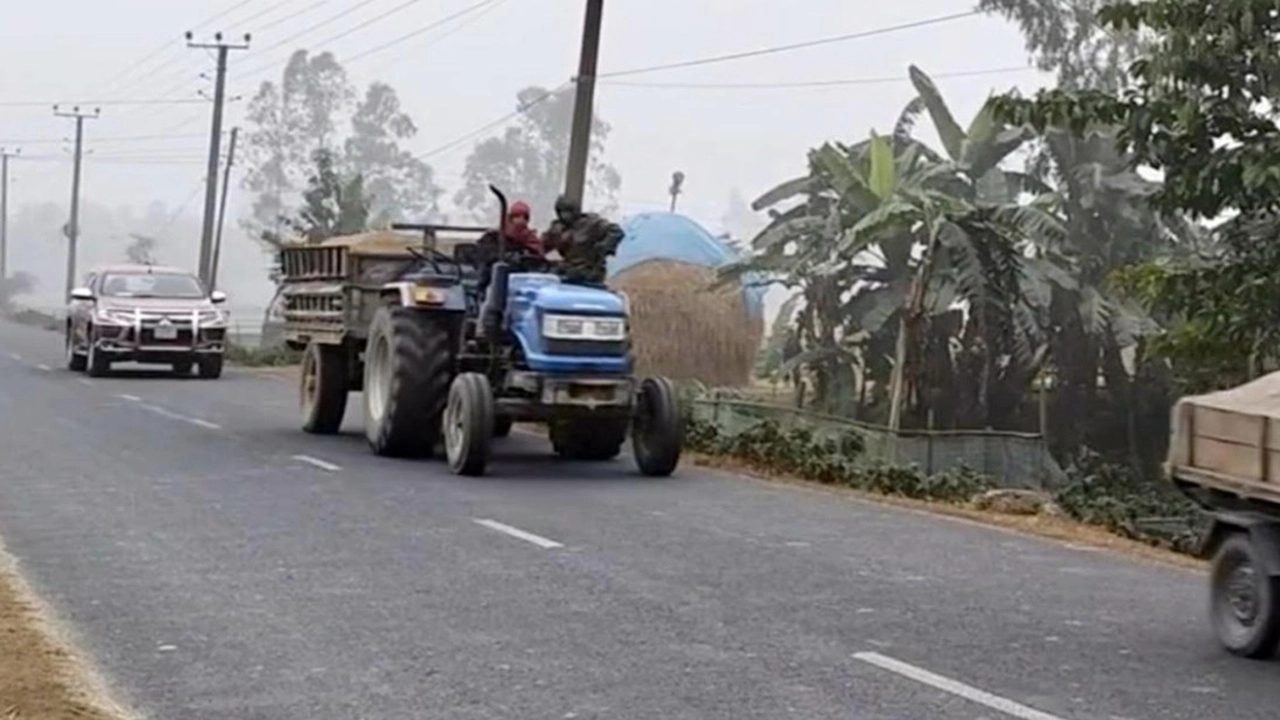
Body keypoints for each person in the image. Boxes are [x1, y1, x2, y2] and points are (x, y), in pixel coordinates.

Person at [542, 195, 624, 285]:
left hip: (589, 270)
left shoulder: (591, 223)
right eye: (561, 212)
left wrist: (604, 247)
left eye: (568, 212)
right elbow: (541, 246)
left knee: (574, 273)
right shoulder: (557, 228)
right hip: (568, 267)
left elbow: (616, 231)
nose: (565, 216)